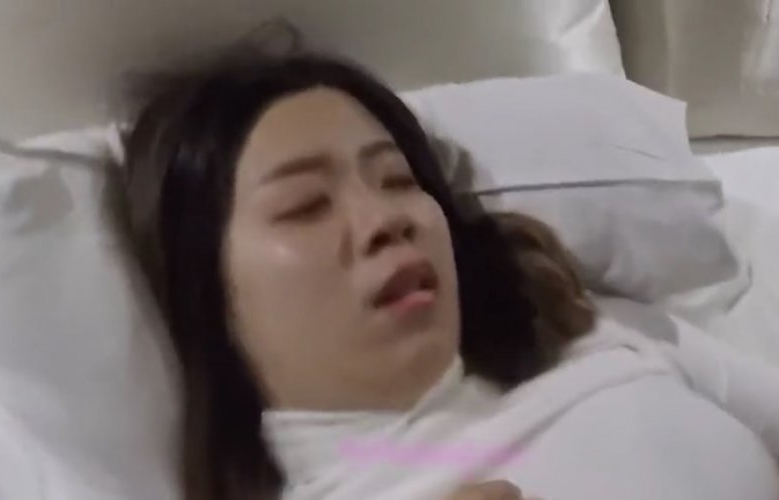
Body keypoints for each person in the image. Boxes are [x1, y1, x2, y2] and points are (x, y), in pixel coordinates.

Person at [122, 51, 779, 500]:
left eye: (398, 179)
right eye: (306, 206)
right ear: (210, 293)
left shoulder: (589, 333)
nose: (385, 219)